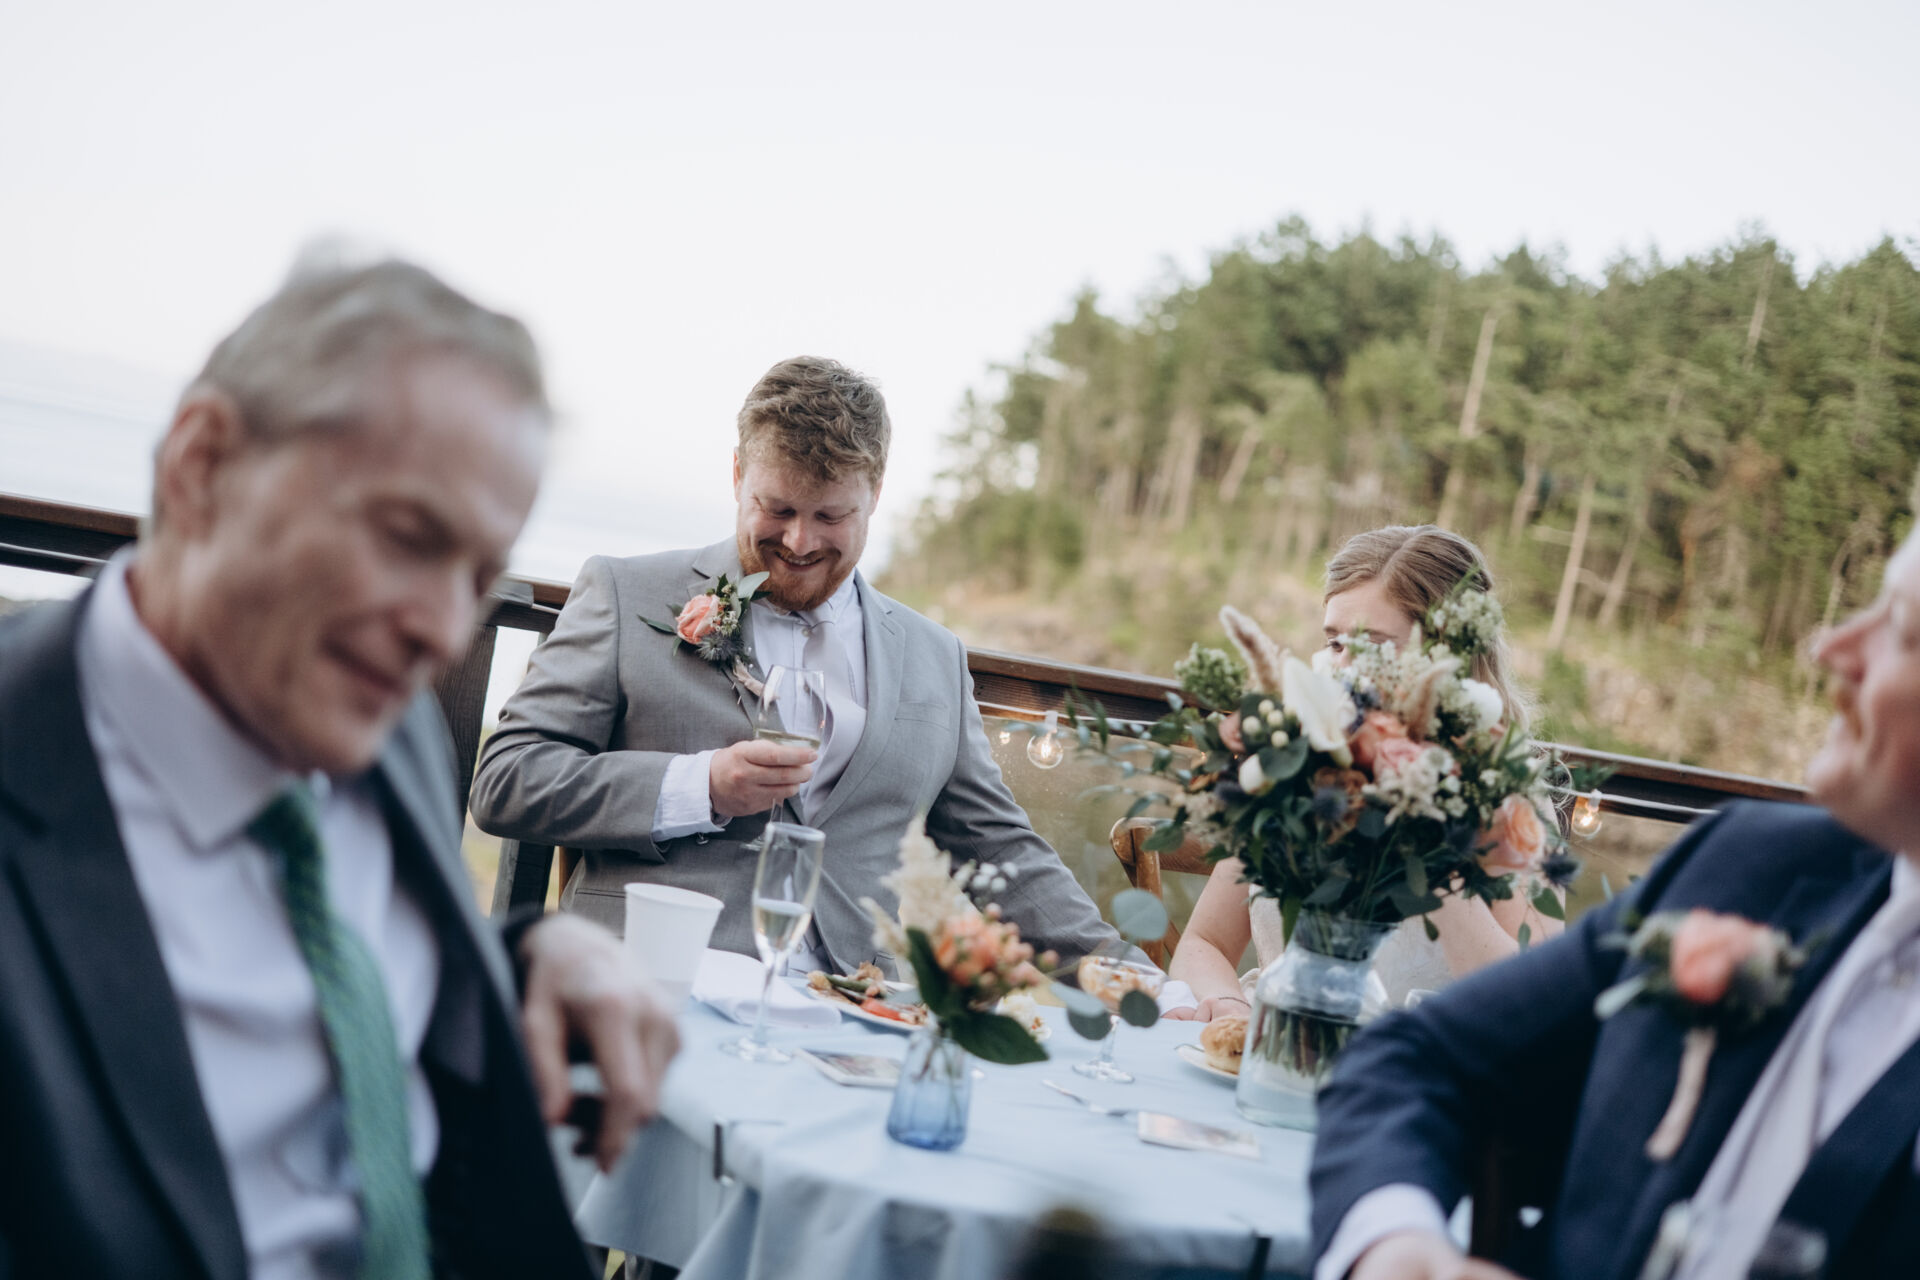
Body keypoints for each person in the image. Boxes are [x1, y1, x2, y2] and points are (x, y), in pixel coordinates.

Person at [0, 259, 679, 1280]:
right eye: (407, 538)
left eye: (477, 576)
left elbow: (360, 978)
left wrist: (539, 952)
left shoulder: (386, 722)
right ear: (202, 465)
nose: (443, 630)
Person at [1310, 527, 1920, 1279]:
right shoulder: (1751, 864)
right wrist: (1399, 1247)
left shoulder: (1504, 804)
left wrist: (1430, 854)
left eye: (1901, 629)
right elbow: (1416, 1058)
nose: (1828, 648)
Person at [469, 355, 1128, 974]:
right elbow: (507, 779)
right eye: (777, 509)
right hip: (653, 979)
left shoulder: (936, 656)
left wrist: (1131, 981)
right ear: (737, 475)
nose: (799, 541)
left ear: (875, 494)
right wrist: (700, 787)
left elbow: (999, 847)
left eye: (830, 515)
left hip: (855, 1010)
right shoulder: (625, 592)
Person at [1165, 526, 1558, 1022]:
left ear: (1446, 656)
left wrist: (1428, 851)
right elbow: (1204, 942)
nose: (1344, 669)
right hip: (1275, 1039)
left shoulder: (1505, 801)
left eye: (1372, 646)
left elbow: (1535, 1005)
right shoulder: (1292, 770)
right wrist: (1229, 1010)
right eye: (1334, 643)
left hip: (1419, 1059)